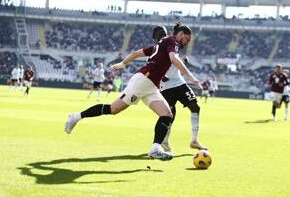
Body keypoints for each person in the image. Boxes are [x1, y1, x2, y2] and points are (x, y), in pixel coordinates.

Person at [65, 22, 202, 161]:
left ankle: (155, 148)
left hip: (151, 86)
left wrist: (123, 63)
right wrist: (191, 77)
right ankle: (76, 116)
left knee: (167, 114)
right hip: (143, 81)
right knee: (113, 109)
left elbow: (137, 53)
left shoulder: (159, 44)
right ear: (181, 34)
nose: (186, 43)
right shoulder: (173, 41)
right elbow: (173, 58)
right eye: (187, 39)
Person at [152, 25, 207, 152]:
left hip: (179, 83)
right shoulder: (156, 49)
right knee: (170, 115)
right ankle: (164, 142)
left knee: (194, 106)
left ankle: (194, 140)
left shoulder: (172, 43)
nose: (163, 36)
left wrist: (182, 62)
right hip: (166, 87)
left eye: (164, 33)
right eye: (160, 34)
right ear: (155, 37)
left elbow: (173, 61)